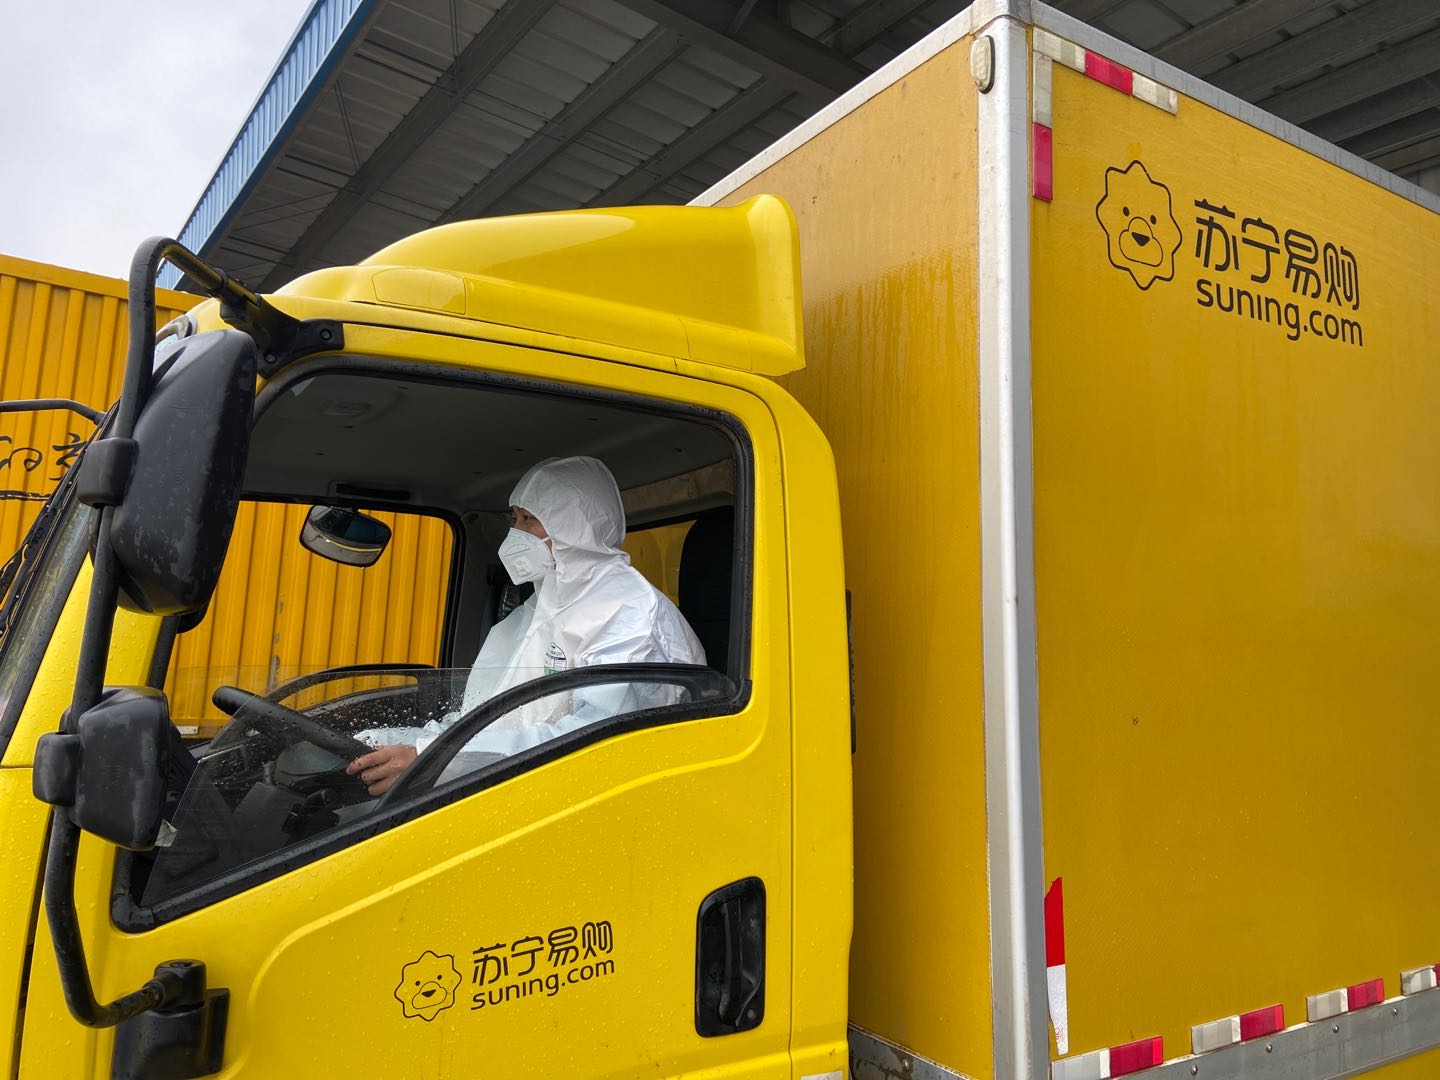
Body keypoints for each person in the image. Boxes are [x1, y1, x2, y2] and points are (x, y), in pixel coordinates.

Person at [347, 455, 705, 795]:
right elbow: (483, 714)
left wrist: (435, 760)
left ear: (572, 527)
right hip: (515, 785)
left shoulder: (626, 611)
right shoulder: (541, 606)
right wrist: (395, 744)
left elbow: (596, 738)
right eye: (514, 518)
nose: (515, 532)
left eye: (529, 519)